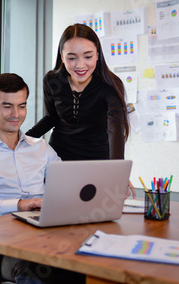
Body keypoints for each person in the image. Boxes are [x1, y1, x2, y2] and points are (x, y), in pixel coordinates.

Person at [0, 73, 84, 283]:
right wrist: (19, 204)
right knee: (37, 269)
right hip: (1, 245)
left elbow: (67, 187)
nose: (16, 114)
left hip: (47, 234)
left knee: (91, 262)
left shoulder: (41, 147)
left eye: (21, 106)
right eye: (7, 106)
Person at [26, 23, 136, 197]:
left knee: (95, 215)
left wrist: (117, 172)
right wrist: (21, 142)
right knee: (58, 212)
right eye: (72, 58)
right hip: (59, 160)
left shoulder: (110, 86)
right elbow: (51, 118)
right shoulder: (53, 80)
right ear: (61, 56)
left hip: (97, 162)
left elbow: (115, 128)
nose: (80, 65)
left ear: (98, 55)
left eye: (88, 56)